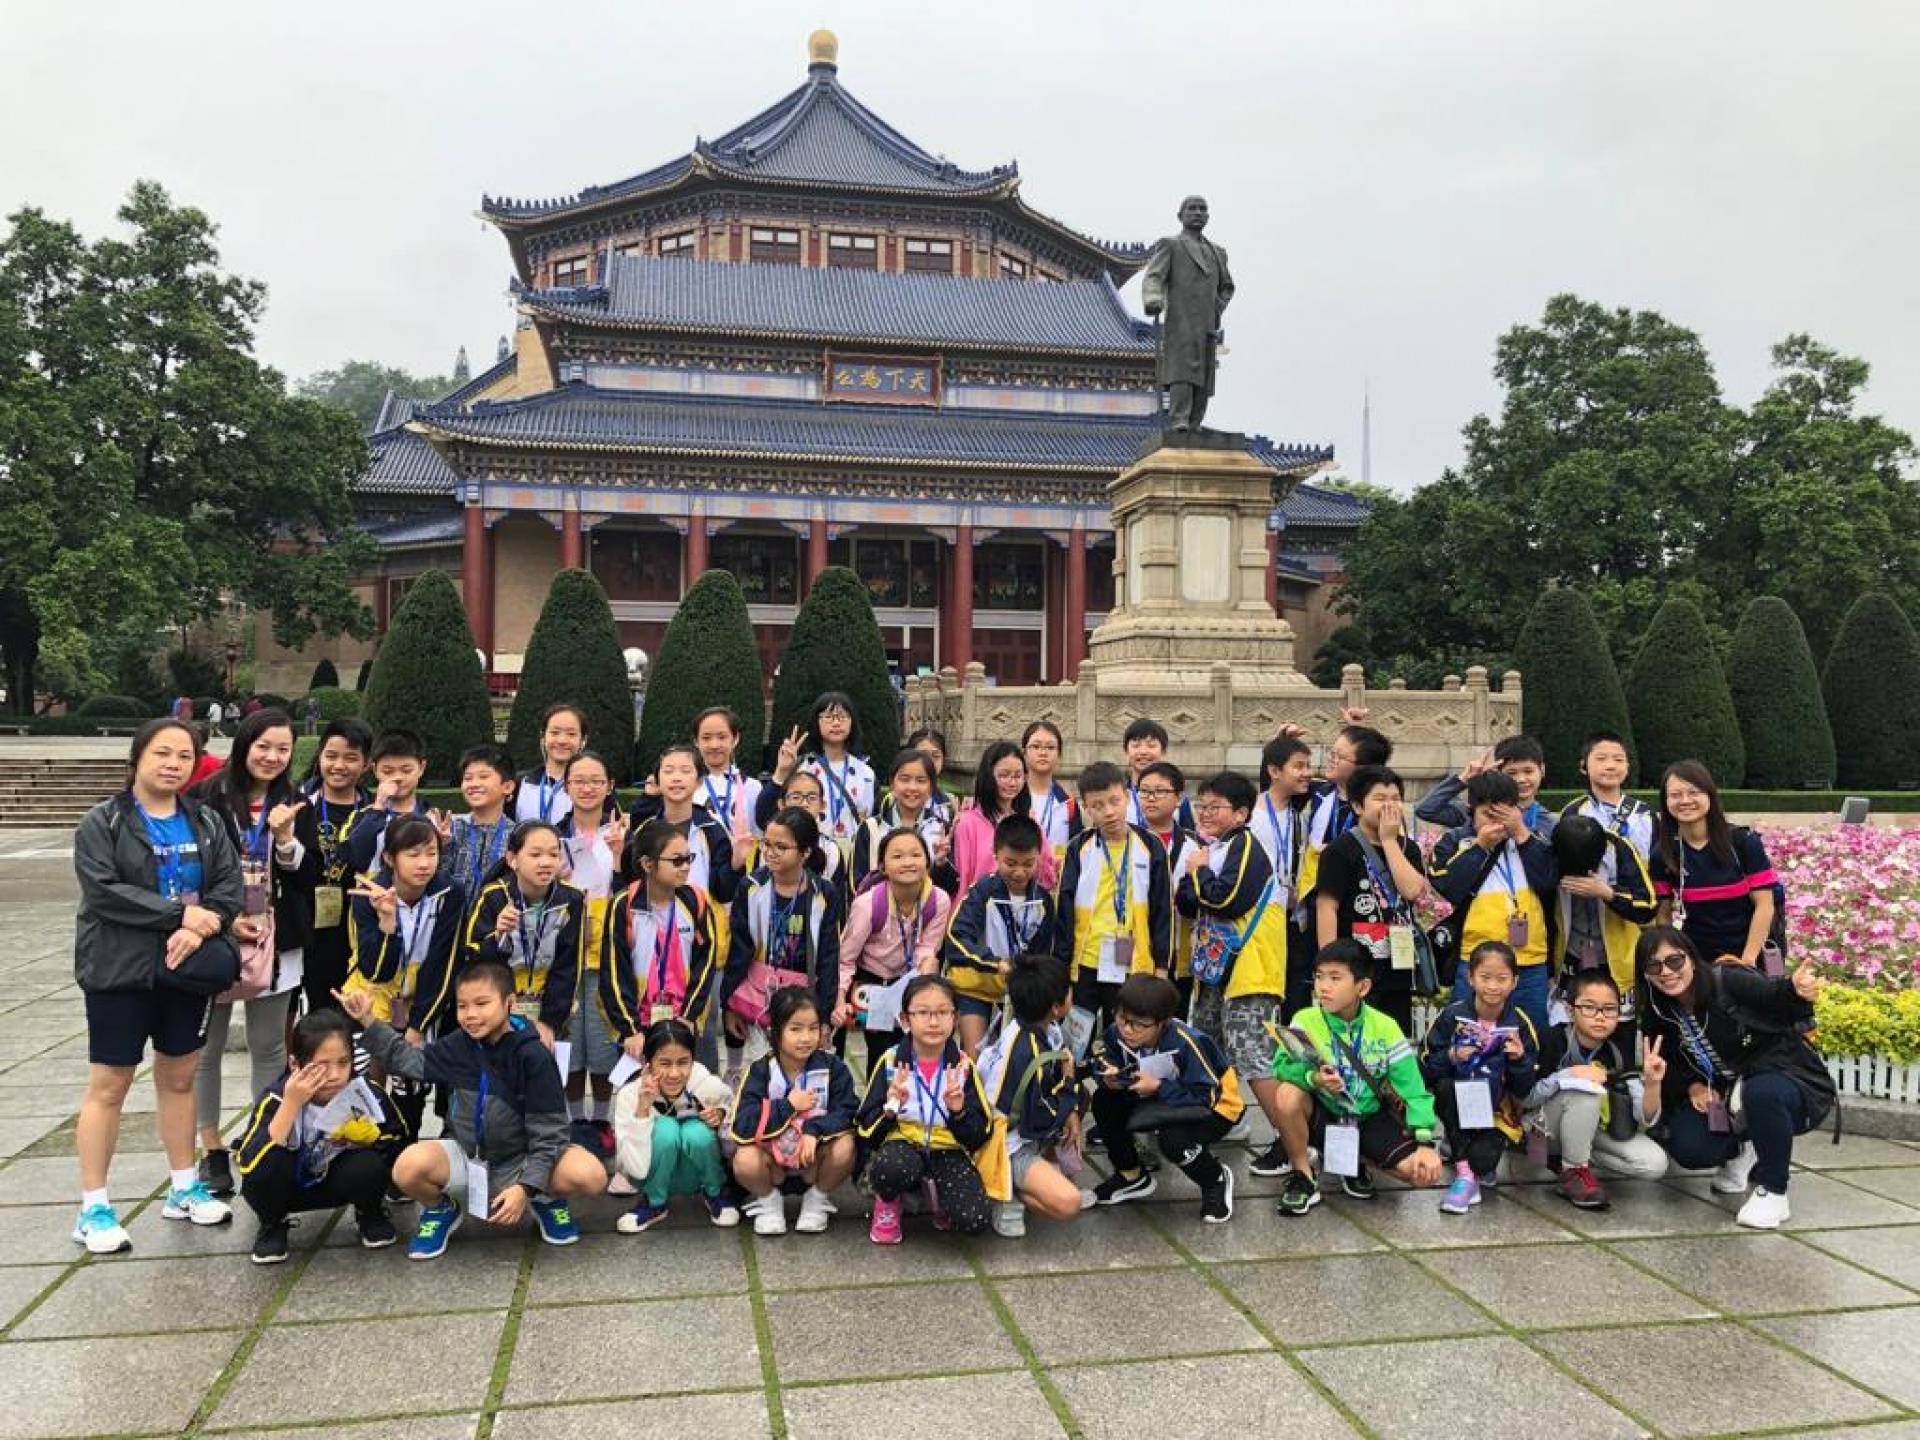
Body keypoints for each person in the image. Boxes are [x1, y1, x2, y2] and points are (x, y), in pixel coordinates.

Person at [72, 719, 244, 1254]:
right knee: (110, 1084)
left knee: (179, 1077)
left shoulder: (206, 821)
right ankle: (93, 1206)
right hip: (121, 971)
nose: (173, 764)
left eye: (184, 756)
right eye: (162, 753)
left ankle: (184, 1186)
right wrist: (179, 916)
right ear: (138, 758)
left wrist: (202, 926)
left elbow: (228, 886)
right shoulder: (104, 821)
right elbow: (103, 891)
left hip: (187, 971)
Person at [339, 960, 606, 1256]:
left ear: (509, 1003)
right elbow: (408, 1060)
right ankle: (440, 1209)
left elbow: (550, 1135)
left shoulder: (533, 1056)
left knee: (590, 1174)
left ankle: (545, 1199)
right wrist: (367, 1020)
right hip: (468, 1154)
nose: (471, 1015)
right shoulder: (458, 1045)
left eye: (482, 1004)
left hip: (522, 1158)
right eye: (462, 1006)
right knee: (406, 1168)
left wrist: (527, 1187)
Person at [188, 707, 321, 1200]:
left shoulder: (296, 802)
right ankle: (210, 1147)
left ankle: (265, 1134)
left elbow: (309, 875)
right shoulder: (205, 798)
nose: (272, 756)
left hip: (275, 939)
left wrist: (285, 840)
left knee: (269, 1047)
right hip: (215, 937)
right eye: (263, 746)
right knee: (206, 1050)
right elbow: (192, 871)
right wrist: (220, 919)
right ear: (244, 744)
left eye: (282, 748)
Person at [1636, 926, 1832, 1229]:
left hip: (1781, 1075)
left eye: (1674, 961)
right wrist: (1693, 1085)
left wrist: (1795, 989)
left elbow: (1773, 996)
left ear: (1691, 958)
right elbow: (1668, 1064)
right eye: (1654, 966)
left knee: (1760, 1093)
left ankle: (1774, 1190)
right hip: (1724, 1092)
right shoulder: (1657, 1010)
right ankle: (1745, 1148)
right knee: (1690, 1146)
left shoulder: (1725, 979)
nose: (1666, 972)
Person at [1270, 940, 1446, 1217]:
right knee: (1286, 1095)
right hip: (1324, 1113)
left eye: (1335, 978)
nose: (1323, 987)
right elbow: (1281, 1067)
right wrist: (1314, 1078)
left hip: (1367, 1117)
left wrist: (1425, 1143)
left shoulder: (1385, 1027)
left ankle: (1352, 1162)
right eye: (1319, 977)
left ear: (1362, 987)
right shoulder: (1305, 1019)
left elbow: (1413, 1089)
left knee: (1420, 1174)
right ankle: (1303, 1175)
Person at [1177, 770, 1292, 1175]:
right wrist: (1199, 874)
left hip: (1250, 970)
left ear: (1241, 814)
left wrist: (1200, 872)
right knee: (1209, 1046)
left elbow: (1224, 899)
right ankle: (1232, 1116)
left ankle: (1292, 1142)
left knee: (1252, 1055)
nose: (1206, 813)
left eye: (1216, 807)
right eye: (1202, 806)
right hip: (1218, 971)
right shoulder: (1212, 849)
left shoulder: (1245, 846)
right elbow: (1187, 901)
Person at [233, 1010, 408, 1263]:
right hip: (288, 1187)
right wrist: (290, 1105)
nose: (335, 1075)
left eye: (343, 1062)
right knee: (263, 1168)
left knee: (369, 1164)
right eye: (322, 1066)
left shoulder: (365, 1094)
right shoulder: (275, 1098)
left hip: (340, 1182)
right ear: (295, 1065)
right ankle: (273, 1224)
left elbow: (400, 1144)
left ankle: (370, 1212)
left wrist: (373, 1140)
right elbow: (250, 1166)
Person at [1085, 973, 1242, 1222]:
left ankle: (1214, 1178)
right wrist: (1109, 1077)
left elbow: (1206, 1095)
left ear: (1162, 1022)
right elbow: (1102, 1057)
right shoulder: (1117, 1032)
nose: (1127, 1029)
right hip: (1157, 1094)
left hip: (1215, 1105)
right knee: (1104, 1101)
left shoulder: (1187, 1042)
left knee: (1174, 1140)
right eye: (1122, 1018)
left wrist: (1159, 1087)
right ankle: (1131, 1175)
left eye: (1138, 1024)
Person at [855, 975, 1001, 1242]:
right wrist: (890, 1110)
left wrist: (958, 1112)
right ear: (905, 1019)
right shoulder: (890, 1061)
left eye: (943, 1012)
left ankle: (937, 1197)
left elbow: (981, 1133)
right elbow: (865, 1129)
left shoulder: (964, 1067)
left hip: (948, 1148)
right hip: (903, 1145)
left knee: (974, 1220)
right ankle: (888, 1201)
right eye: (923, 1013)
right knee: (889, 1169)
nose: (933, 1022)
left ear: (955, 1018)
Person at [1523, 970, 1669, 1209]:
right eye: (1589, 1008)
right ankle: (1574, 1172)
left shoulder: (1617, 1051)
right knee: (1586, 1090)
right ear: (1570, 1010)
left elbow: (1647, 1118)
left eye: (1609, 1009)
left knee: (1654, 1163)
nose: (1600, 1017)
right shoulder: (1549, 1040)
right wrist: (1568, 1076)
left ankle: (1573, 1162)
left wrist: (1653, 1083)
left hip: (1591, 1130)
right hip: (1541, 1129)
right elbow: (1525, 1099)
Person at [1428, 770, 1559, 1034]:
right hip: (1476, 960)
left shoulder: (1531, 840)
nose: (1498, 823)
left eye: (1505, 814)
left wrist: (1521, 833)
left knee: (1534, 1036)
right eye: (1489, 814)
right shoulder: (1455, 841)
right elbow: (1447, 886)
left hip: (1529, 961)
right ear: (1471, 810)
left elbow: (1549, 881)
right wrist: (1479, 847)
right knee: (1469, 1036)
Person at [1052, 762, 1172, 1047]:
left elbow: (1162, 909)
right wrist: (1062, 972)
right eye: (1097, 805)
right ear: (1086, 807)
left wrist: (1161, 967)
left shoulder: (1150, 845)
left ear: (1128, 797)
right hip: (1085, 963)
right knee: (1075, 1042)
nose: (1108, 812)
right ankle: (1074, 1076)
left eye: (1114, 801)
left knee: (1125, 1038)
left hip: (1132, 962)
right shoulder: (1078, 848)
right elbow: (1064, 913)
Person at [1418, 940, 1540, 1214]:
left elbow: (1525, 1090)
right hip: (1457, 1100)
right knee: (1446, 1087)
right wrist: (1452, 1056)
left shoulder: (1519, 1023)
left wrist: (1519, 1059)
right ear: (1470, 977)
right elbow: (1425, 1069)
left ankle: (1463, 1151)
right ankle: (1463, 1172)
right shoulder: (1452, 1016)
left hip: (1496, 1113)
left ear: (1514, 982)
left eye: (1502, 979)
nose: (1493, 986)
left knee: (1484, 1166)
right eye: (1485, 977)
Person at [728, 987, 859, 1236]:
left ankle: (817, 1199)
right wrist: (788, 1106)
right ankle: (769, 1202)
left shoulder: (833, 1068)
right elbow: (742, 1125)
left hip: (813, 1162)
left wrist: (814, 1130)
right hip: (772, 1165)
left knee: (846, 1146)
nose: (806, 1038)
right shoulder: (760, 1071)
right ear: (776, 1032)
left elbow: (848, 1112)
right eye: (796, 1029)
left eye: (813, 1028)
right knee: (744, 1159)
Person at [1311, 765, 1430, 1033]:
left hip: (1397, 963)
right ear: (1357, 806)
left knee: (1393, 1033)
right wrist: (1329, 965)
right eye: (1380, 798)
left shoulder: (1407, 848)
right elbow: (1327, 907)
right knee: (1353, 1034)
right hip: (1355, 964)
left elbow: (1412, 891)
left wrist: (1389, 841)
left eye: (1396, 798)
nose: (1389, 805)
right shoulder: (1340, 850)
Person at [723, 806, 845, 1056]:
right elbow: (738, 950)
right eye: (767, 844)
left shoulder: (824, 893)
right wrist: (730, 1004)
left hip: (804, 1000)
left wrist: (824, 1017)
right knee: (761, 1066)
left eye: (781, 846)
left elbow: (829, 956)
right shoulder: (751, 887)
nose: (770, 852)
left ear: (805, 852)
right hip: (759, 995)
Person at [977, 952, 1083, 1237]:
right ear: (1056, 1007)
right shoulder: (1031, 1052)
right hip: (1005, 1143)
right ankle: (1005, 1190)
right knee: (1068, 1204)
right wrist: (1069, 1086)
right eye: (1068, 991)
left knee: (1076, 1101)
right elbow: (1040, 1118)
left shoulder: (1019, 1025)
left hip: (1004, 1126)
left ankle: (1029, 1178)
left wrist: (1071, 1106)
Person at [554, 751, 628, 1153]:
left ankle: (601, 1119)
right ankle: (572, 1120)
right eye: (578, 780)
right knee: (569, 1039)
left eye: (596, 780)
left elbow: (634, 892)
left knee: (601, 1041)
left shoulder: (624, 832)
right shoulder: (553, 837)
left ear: (609, 785)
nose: (587, 788)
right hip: (565, 955)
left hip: (608, 955)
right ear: (566, 786)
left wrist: (620, 858)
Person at [457, 821, 586, 1049]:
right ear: (512, 859)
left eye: (553, 854)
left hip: (547, 1011)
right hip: (496, 1015)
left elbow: (568, 967)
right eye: (535, 854)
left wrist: (549, 1022)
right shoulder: (494, 896)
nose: (545, 862)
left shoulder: (572, 900)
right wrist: (499, 935)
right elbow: (470, 957)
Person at [835, 828, 953, 1063]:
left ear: (927, 861)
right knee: (881, 1055)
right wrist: (839, 999)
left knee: (916, 1049)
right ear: (883, 866)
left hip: (911, 979)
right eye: (897, 856)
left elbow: (927, 946)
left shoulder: (939, 900)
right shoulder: (867, 905)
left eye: (916, 855)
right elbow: (846, 957)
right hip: (873, 984)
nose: (908, 863)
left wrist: (926, 969)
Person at [611, 1017, 739, 1232]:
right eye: (664, 1063)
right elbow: (634, 1169)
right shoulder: (629, 1095)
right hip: (650, 1173)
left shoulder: (707, 1084)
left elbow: (737, 1124)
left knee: (696, 1133)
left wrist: (721, 1116)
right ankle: (654, 1202)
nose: (674, 1073)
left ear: (693, 1060)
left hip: (697, 1172)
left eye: (683, 1062)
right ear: (647, 1062)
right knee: (665, 1130)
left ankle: (715, 1193)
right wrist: (642, 1110)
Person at [603, 821, 724, 1048]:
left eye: (689, 858)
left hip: (682, 1021)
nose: (686, 867)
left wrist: (689, 1016)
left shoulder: (695, 900)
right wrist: (630, 1030)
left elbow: (705, 963)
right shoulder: (624, 905)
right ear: (648, 864)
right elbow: (614, 972)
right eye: (677, 861)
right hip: (639, 1027)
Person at [1648, 761, 1779, 969]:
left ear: (1710, 795)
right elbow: (1663, 915)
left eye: (1694, 792)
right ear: (1665, 802)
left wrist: (1748, 961)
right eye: (1675, 795)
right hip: (1697, 960)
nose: (1685, 801)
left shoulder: (1743, 842)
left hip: (1751, 955)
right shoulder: (1663, 854)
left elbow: (1764, 905)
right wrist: (1677, 959)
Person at [944, 814, 1057, 1055]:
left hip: (1017, 992)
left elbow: (1043, 953)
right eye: (1010, 863)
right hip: (975, 985)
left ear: (1039, 857)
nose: (1019, 872)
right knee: (975, 1057)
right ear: (995, 856)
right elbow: (957, 937)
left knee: (1014, 1058)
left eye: (1028, 864)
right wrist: (995, 963)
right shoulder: (982, 892)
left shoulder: (1043, 900)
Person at [344, 816, 463, 1036]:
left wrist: (418, 1026)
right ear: (389, 858)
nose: (424, 864)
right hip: (369, 1001)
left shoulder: (449, 893)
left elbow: (443, 965)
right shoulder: (368, 894)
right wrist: (387, 922)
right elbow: (375, 972)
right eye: (413, 855)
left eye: (431, 853)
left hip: (422, 1004)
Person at [1550, 814, 1657, 1042]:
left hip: (1616, 961)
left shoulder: (1620, 848)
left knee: (1617, 1026)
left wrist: (1608, 894)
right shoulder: (1554, 851)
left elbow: (1648, 907)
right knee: (1570, 1027)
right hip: (1571, 957)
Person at [296, 718, 373, 1016]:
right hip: (307, 923)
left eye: (350, 758)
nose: (339, 765)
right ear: (320, 757)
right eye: (331, 756)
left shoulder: (375, 810)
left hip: (355, 927)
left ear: (366, 764)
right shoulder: (299, 804)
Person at [1140, 194, 1234, 433]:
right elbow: (1154, 276)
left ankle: (1195, 421)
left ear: (1208, 216)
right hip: (1181, 319)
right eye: (1192, 209)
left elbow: (1227, 286)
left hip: (1208, 321)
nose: (1198, 213)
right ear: (1180, 216)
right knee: (1183, 369)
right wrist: (1153, 297)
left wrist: (1217, 306)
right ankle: (1179, 418)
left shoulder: (1218, 252)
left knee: (1205, 373)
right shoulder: (1171, 245)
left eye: (1202, 209)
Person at [1251, 734, 1317, 1016]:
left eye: (1308, 766)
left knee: (1296, 999)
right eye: (1299, 766)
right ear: (1274, 771)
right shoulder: (1250, 814)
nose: (1307, 773)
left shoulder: (1301, 816)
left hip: (1292, 920)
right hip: (1258, 919)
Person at [628, 745, 740, 904]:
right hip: (655, 916)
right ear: (657, 781)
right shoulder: (646, 831)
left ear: (699, 781)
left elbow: (724, 893)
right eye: (668, 771)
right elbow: (633, 882)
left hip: (700, 916)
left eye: (685, 771)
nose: (676, 778)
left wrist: (736, 864)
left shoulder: (712, 830)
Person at [1299, 723, 1393, 903]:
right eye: (1331, 752)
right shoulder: (1320, 792)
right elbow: (1275, 794)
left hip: (1360, 898)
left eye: (1338, 756)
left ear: (1362, 767)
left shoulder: (1379, 808)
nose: (1330, 759)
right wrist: (1283, 746)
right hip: (1316, 893)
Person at [1137, 760, 1202, 1012]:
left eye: (1160, 791)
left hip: (1180, 951)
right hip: (1137, 948)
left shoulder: (1195, 846)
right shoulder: (1130, 840)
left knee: (1174, 1016)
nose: (1151, 798)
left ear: (1178, 798)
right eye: (1144, 791)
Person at [850, 749, 958, 894]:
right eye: (905, 779)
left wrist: (940, 864)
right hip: (877, 907)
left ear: (931, 788)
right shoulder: (871, 828)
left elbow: (951, 888)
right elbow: (857, 884)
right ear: (892, 784)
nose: (912, 787)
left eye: (921, 780)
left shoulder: (942, 830)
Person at [951, 741, 1049, 897]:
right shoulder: (967, 822)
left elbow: (1044, 873)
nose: (1012, 782)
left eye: (1018, 776)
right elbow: (963, 880)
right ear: (988, 775)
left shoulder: (1028, 820)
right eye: (1004, 775)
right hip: (980, 906)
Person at [1416, 734, 1556, 838]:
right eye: (1511, 773)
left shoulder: (1549, 822)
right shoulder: (1478, 813)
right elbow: (1425, 810)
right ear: (1498, 773)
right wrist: (1464, 779)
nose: (1521, 779)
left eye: (1528, 771)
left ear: (1542, 770)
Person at [445, 745, 518, 923]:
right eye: (468, 778)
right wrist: (442, 846)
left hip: (496, 927)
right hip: (451, 926)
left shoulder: (517, 835)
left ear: (507, 787)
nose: (474, 784)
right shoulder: (451, 828)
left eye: (483, 777)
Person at [342, 730, 431, 875]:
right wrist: (378, 809)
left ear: (421, 768)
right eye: (388, 771)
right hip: (373, 889)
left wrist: (445, 843)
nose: (397, 777)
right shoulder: (361, 817)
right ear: (375, 770)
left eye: (406, 770)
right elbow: (352, 859)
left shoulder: (433, 817)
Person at [1558, 731, 1654, 862]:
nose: (1611, 766)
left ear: (1627, 767)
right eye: (1601, 759)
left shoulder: (1644, 813)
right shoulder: (1573, 812)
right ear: (1583, 766)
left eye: (1618, 760)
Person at [797, 692, 875, 846]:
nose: (836, 723)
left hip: (853, 852)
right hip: (813, 849)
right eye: (828, 717)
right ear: (816, 722)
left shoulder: (866, 773)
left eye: (842, 717)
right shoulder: (804, 768)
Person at [692, 704, 763, 847]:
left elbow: (759, 836)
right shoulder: (688, 787)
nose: (714, 745)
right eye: (706, 738)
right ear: (696, 742)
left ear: (735, 739)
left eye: (722, 737)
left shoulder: (752, 787)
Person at [514, 702, 585, 825]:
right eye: (555, 732)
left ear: (583, 740)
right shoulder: (519, 783)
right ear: (543, 737)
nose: (562, 740)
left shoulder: (594, 787)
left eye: (571, 734)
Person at [1021, 721, 1078, 871]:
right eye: (1036, 746)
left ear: (1059, 755)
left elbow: (1076, 851)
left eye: (1050, 747)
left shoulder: (1068, 803)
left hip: (1056, 879)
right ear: (1024, 753)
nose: (1043, 753)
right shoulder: (1012, 797)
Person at [1121, 718, 1194, 831]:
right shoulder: (1119, 796)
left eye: (1151, 745)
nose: (1143, 751)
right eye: (1136, 745)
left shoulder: (1177, 798)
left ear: (1163, 751)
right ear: (1126, 751)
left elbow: (1189, 836)